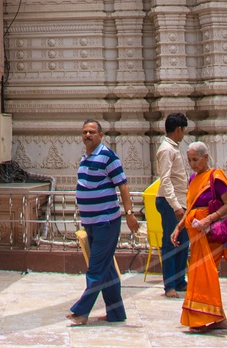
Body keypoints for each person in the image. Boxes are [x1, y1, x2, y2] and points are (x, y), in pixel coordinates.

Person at [68, 119, 141, 325]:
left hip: (106, 221)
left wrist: (129, 213)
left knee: (96, 268)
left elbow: (123, 185)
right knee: (107, 268)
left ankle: (81, 311)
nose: (87, 135)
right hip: (90, 222)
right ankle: (116, 312)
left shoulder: (108, 157)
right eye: (84, 132)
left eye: (92, 132)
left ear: (101, 135)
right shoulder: (85, 158)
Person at [172, 140, 227, 333]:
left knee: (205, 275)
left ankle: (205, 318)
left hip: (212, 235)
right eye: (189, 160)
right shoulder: (193, 179)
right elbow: (191, 207)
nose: (192, 164)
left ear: (206, 157)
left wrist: (207, 220)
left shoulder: (216, 177)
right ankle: (218, 318)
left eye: (195, 159)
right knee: (200, 274)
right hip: (196, 235)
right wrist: (178, 227)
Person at [154, 112, 191, 298]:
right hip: (170, 202)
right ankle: (169, 285)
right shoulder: (166, 150)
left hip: (180, 201)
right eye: (183, 130)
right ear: (178, 130)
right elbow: (165, 180)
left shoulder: (174, 148)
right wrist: (175, 205)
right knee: (170, 242)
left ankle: (179, 280)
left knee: (183, 241)